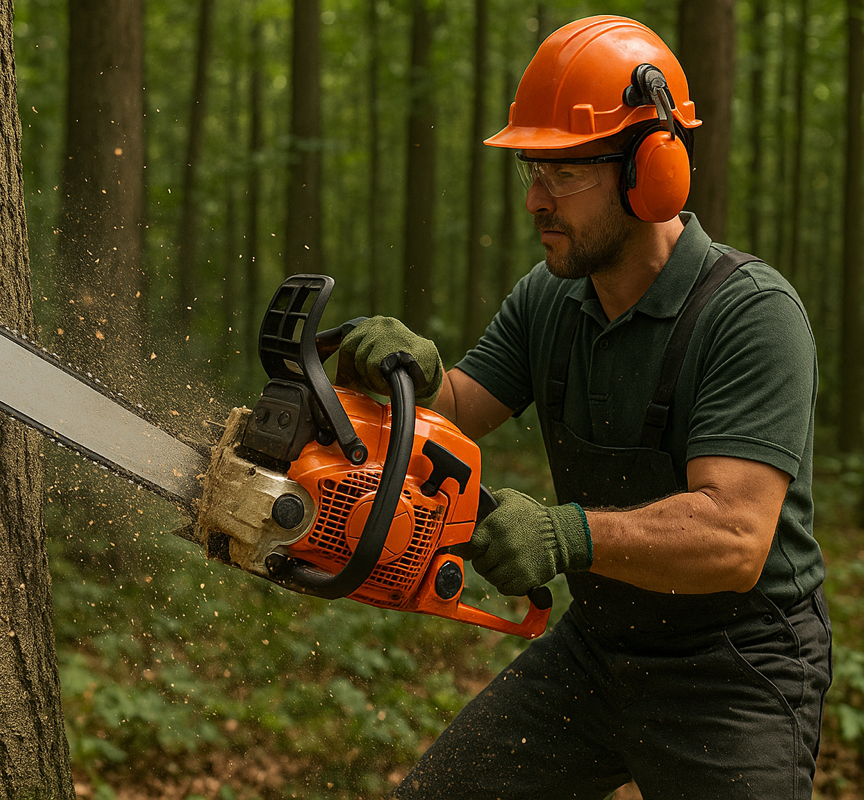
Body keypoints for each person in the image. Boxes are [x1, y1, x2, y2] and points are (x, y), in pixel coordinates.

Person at [337, 15, 831, 800]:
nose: (536, 199)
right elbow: (465, 405)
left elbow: (736, 536)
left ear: (652, 170)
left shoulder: (751, 315)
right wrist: (421, 380)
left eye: (563, 173)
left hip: (736, 663)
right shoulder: (550, 298)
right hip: (600, 647)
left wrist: (568, 533)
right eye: (532, 171)